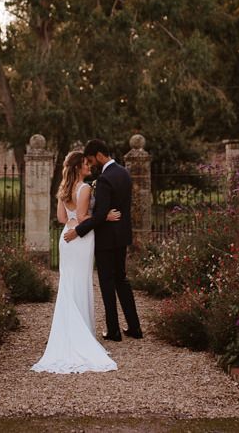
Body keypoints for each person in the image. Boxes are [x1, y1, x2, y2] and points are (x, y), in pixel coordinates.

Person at [31, 150, 119, 373]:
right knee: (80, 281)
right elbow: (81, 219)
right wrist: (103, 217)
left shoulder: (63, 188)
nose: (89, 166)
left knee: (68, 284)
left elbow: (62, 218)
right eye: (86, 164)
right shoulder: (85, 188)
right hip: (81, 238)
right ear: (78, 166)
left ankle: (69, 332)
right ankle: (83, 335)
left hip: (65, 237)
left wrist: (85, 217)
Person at [64, 139, 142, 342]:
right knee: (122, 280)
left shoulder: (106, 179)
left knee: (107, 283)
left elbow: (99, 216)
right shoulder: (124, 173)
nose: (91, 164)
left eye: (91, 159)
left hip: (107, 239)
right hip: (122, 236)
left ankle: (113, 330)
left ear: (99, 155)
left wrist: (77, 231)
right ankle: (135, 328)